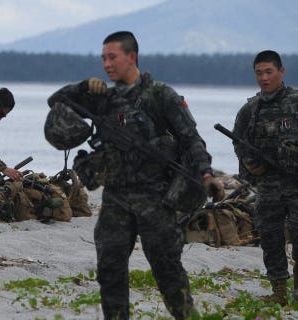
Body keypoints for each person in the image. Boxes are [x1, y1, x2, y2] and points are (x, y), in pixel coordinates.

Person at [47, 31, 224, 320]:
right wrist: (81, 87)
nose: (106, 64)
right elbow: (56, 101)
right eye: (103, 58)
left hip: (156, 199)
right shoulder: (105, 99)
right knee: (110, 269)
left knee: (168, 271)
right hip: (116, 198)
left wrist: (206, 175)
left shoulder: (160, 95)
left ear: (132, 57)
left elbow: (192, 139)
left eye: (112, 57)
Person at [232, 50, 298, 305]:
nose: (264, 78)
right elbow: (239, 141)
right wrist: (247, 162)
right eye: (259, 73)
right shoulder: (250, 109)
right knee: (269, 235)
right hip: (268, 184)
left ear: (281, 72)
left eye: (269, 72)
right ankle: (278, 290)